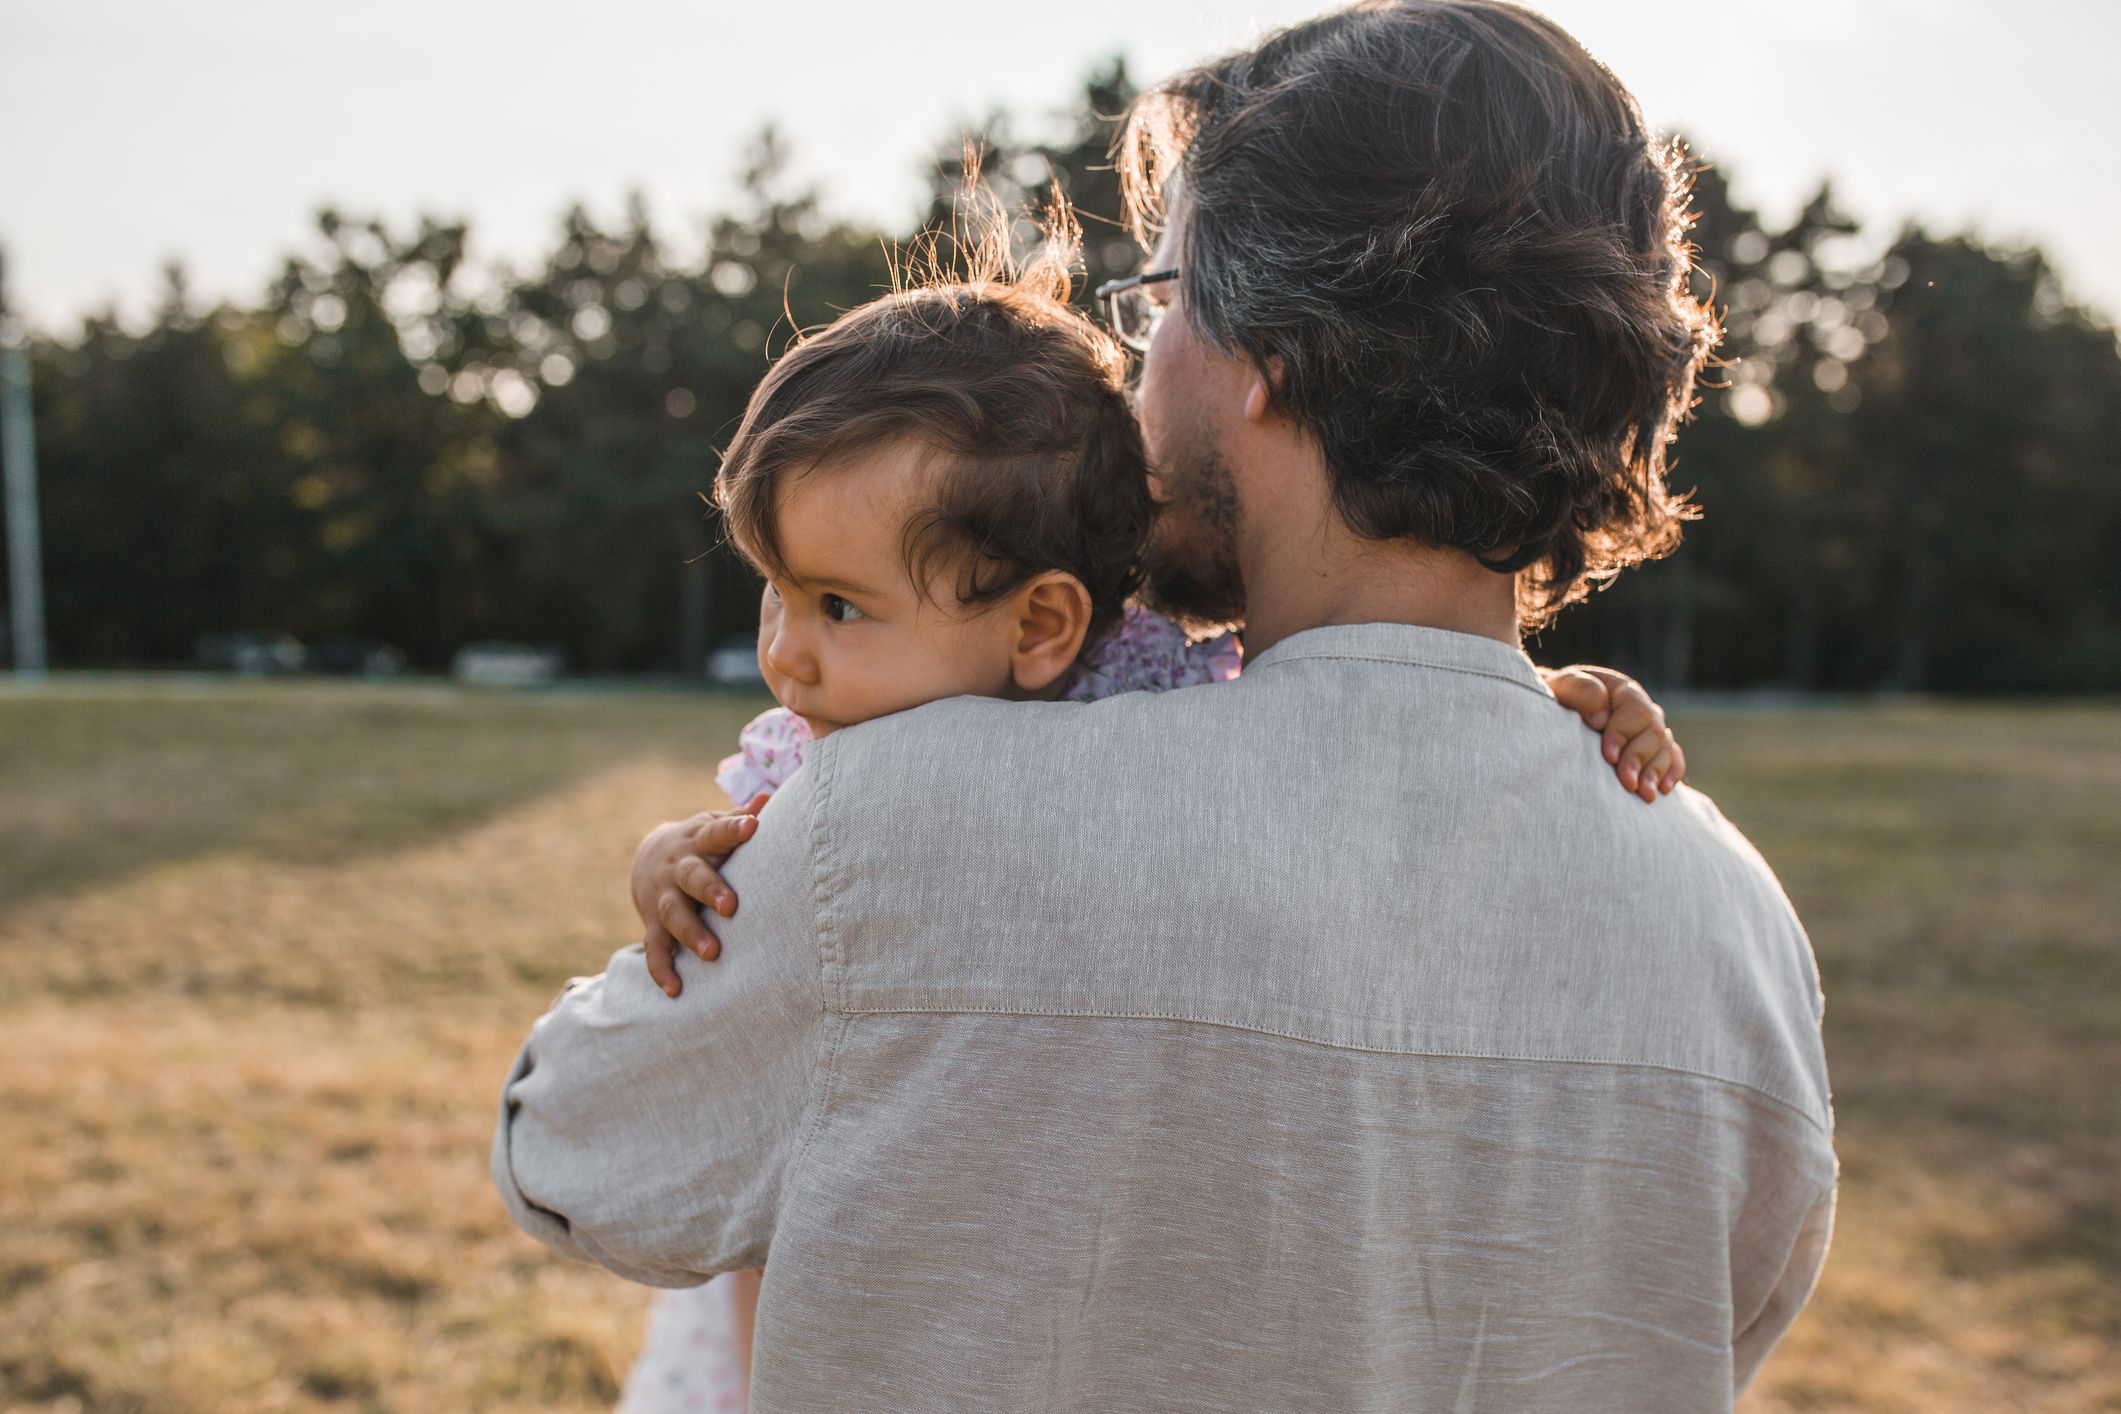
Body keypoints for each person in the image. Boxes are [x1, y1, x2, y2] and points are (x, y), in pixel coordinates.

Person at [493, 4, 1836, 1409]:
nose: (1135, 374)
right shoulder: (1735, 922)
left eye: (1162, 300)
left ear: (1274, 360)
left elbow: (571, 1158)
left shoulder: (899, 818)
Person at [605, 218, 1688, 1411]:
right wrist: (669, 864)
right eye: (775, 590)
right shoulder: (817, 763)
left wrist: (1558, 705)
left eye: (837, 607)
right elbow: (725, 934)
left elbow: (1379, 735)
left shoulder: (1160, 686)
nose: (784, 657)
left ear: (1041, 627)